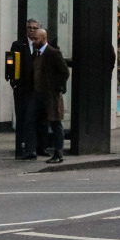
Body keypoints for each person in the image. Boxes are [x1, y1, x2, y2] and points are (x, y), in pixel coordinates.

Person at [32, 29, 70, 164]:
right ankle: (37, 148)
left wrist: (57, 87)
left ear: (43, 39)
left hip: (51, 95)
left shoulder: (53, 53)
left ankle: (59, 152)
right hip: (38, 94)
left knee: (55, 123)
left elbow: (65, 72)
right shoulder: (36, 54)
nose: (33, 41)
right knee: (37, 121)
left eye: (36, 39)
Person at [9, 19, 39, 159]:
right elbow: (11, 63)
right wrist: (14, 83)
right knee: (21, 118)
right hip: (21, 89)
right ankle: (20, 148)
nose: (32, 30)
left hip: (35, 90)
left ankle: (31, 149)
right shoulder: (18, 44)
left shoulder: (41, 45)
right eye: (30, 27)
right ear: (26, 29)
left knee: (31, 119)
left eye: (35, 28)